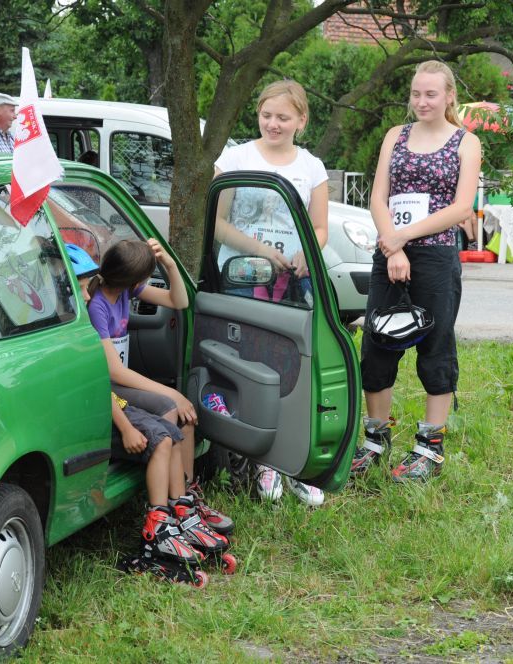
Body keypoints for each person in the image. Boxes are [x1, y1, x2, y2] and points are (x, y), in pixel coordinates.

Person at [353, 60, 482, 481]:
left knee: (436, 347)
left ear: (449, 97)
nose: (422, 101)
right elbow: (378, 197)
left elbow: (461, 208)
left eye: (431, 93)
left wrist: (402, 238)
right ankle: (375, 439)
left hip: (437, 257)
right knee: (377, 342)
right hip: (389, 252)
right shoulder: (396, 136)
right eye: (416, 93)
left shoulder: (466, 142)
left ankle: (429, 448)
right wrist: (392, 244)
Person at [212, 79, 328, 506]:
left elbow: (319, 227)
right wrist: (261, 251)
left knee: (291, 367)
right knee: (250, 367)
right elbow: (218, 223)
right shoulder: (235, 157)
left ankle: (291, 460)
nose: (273, 124)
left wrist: (304, 252)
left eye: (283, 117)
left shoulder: (312, 167)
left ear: (301, 119)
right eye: (266, 115)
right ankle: (257, 462)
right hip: (242, 278)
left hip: (291, 284)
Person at [87, 239, 234, 536]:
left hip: (123, 380)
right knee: (171, 409)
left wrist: (169, 264)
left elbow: (179, 301)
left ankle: (186, 500)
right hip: (112, 386)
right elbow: (114, 371)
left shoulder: (126, 290)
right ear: (135, 279)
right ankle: (167, 509)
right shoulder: (98, 307)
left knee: (186, 416)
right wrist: (171, 392)